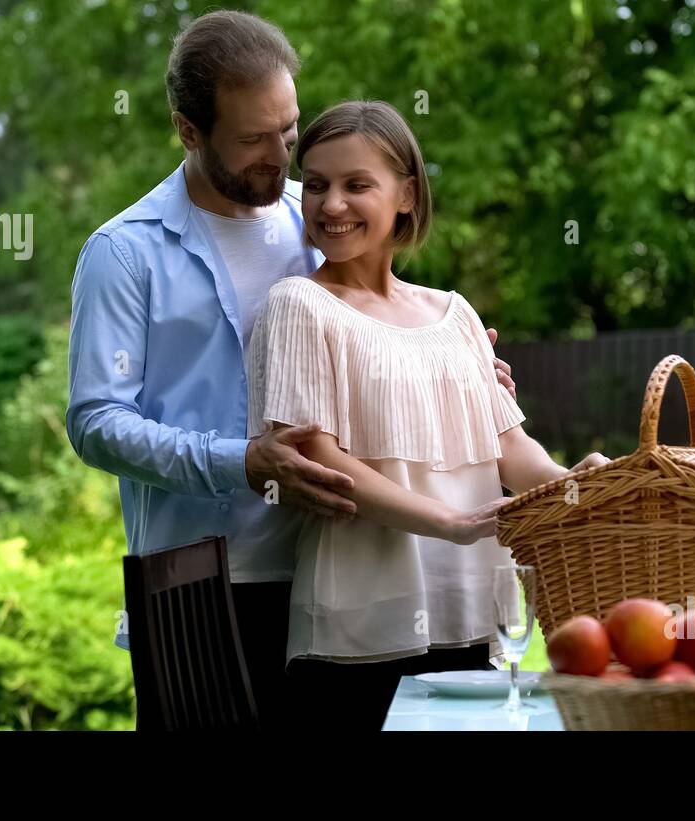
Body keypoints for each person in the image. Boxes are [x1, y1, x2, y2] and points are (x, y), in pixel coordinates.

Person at [65, 10, 518, 729]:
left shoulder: (313, 216)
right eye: (252, 139)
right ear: (188, 130)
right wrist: (239, 461)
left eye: (287, 131)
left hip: (333, 571)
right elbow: (95, 422)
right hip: (206, 585)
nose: (279, 159)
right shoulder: (126, 252)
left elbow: (373, 332)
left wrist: (453, 374)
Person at [247, 100, 608, 731]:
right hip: (358, 624)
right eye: (318, 185)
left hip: (472, 607)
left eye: (357, 185)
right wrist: (454, 521)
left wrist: (582, 486)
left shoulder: (456, 313)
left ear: (407, 194)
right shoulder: (298, 306)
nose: (332, 204)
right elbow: (319, 460)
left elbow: (513, 452)